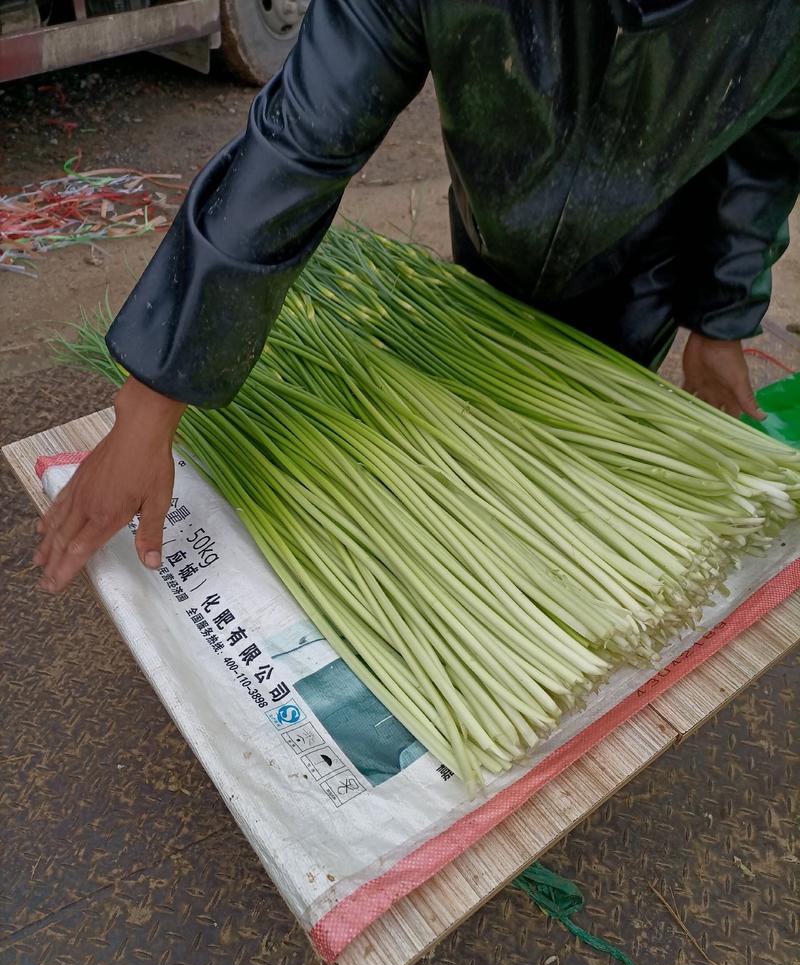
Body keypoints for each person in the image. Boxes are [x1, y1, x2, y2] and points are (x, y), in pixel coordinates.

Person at [34, 0, 800, 593]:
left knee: (573, 486)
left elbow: (767, 144)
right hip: (492, 245)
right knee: (484, 483)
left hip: (645, 271)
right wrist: (154, 398)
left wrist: (719, 319)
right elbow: (300, 143)